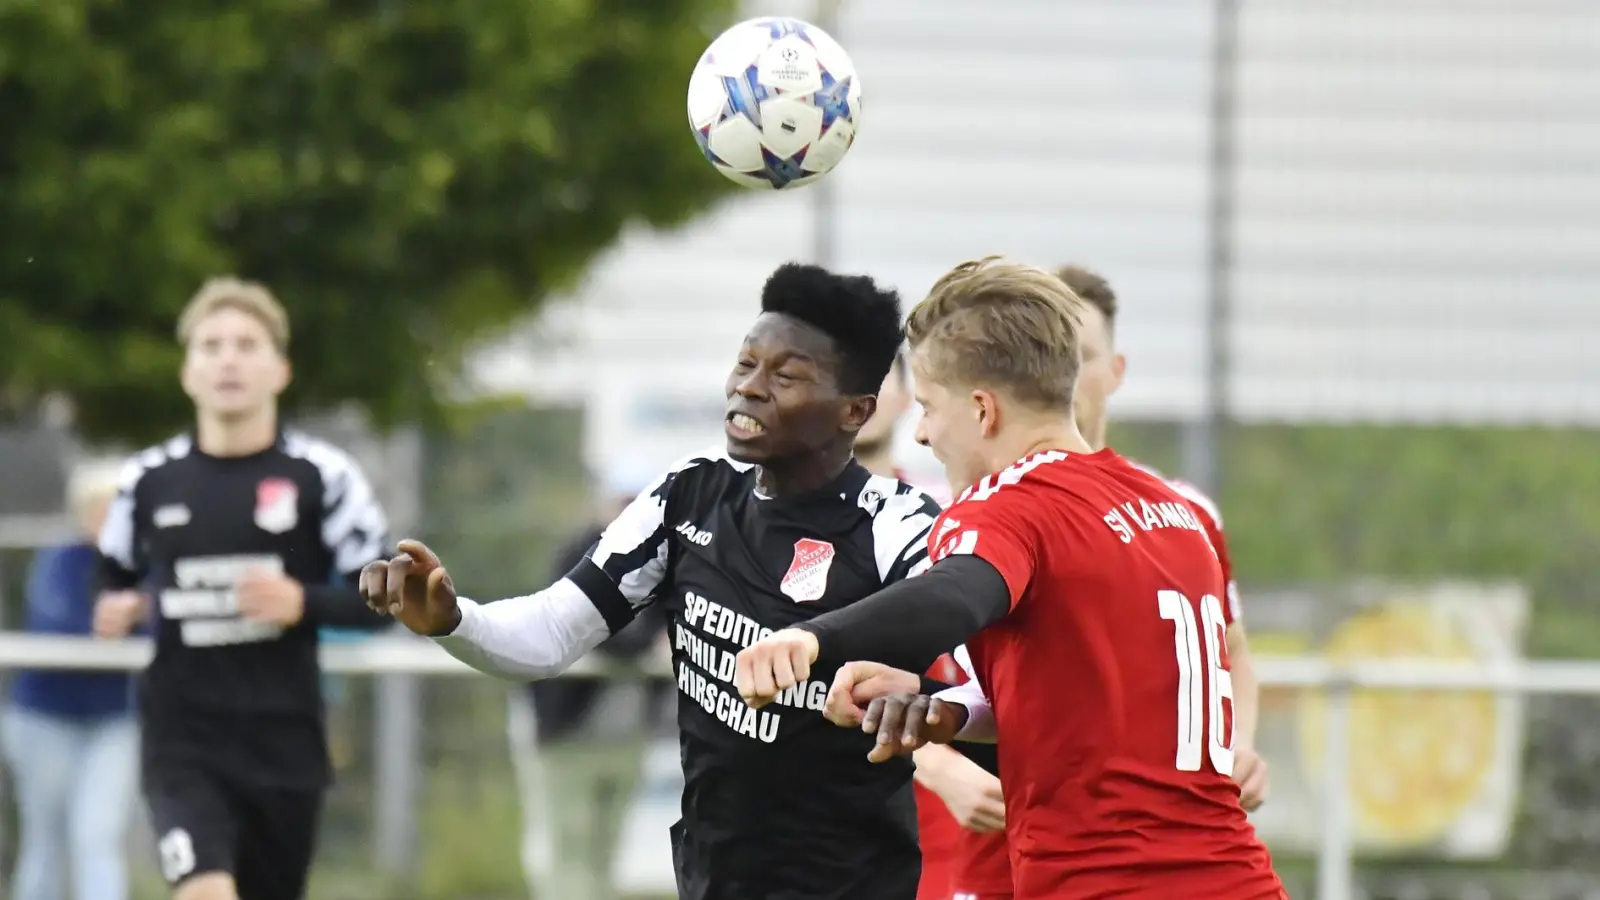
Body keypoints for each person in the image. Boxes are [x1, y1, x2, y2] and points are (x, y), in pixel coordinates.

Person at [362, 262, 945, 900]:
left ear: (854, 411)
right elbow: (552, 631)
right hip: (713, 879)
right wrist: (454, 621)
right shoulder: (690, 494)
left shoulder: (899, 525)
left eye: (785, 376)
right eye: (745, 363)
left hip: (853, 884)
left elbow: (976, 672)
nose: (748, 388)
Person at [734, 257, 1287, 900]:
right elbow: (1084, 702)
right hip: (1239, 879)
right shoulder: (1175, 513)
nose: (922, 432)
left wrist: (813, 639)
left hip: (1103, 886)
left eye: (930, 407)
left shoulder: (1007, 507)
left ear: (982, 411)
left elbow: (956, 593)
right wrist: (941, 705)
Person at [94, 277, 391, 900]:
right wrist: (116, 607)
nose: (228, 360)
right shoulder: (147, 481)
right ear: (188, 371)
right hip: (182, 743)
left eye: (247, 345)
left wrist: (303, 603)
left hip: (285, 746)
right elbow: (114, 576)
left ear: (280, 369)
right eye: (212, 345)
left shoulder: (322, 476)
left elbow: (385, 598)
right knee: (205, 892)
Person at [854, 353, 1008, 900]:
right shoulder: (766, 526)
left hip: (945, 832)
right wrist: (933, 762)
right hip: (822, 827)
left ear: (907, 398)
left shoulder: (950, 516)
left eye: (873, 376)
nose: (856, 394)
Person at [506, 464, 669, 900]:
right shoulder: (579, 555)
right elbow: (589, 627)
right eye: (624, 501)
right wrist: (648, 644)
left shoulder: (663, 560)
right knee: (565, 844)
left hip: (624, 733)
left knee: (603, 849)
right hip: (568, 732)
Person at [2, 460, 140, 900]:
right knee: (47, 839)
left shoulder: (145, 566)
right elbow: (57, 621)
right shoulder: (60, 561)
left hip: (115, 720)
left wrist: (133, 619)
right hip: (45, 718)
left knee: (97, 833)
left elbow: (161, 627)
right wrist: (118, 622)